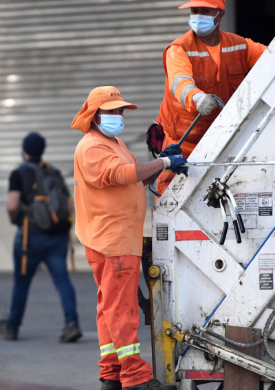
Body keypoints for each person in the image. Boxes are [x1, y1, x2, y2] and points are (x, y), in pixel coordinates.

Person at [72, 86, 188, 390]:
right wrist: (164, 164)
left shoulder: (112, 142)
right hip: (111, 240)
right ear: (95, 115)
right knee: (120, 308)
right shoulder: (93, 147)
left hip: (117, 238)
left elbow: (134, 175)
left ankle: (111, 373)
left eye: (121, 111)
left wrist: (161, 160)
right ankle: (136, 378)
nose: (119, 116)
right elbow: (120, 175)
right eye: (112, 111)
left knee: (109, 306)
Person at [155, 0, 267, 194]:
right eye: (194, 11)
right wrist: (197, 98)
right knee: (172, 197)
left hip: (226, 140)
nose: (198, 16)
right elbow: (179, 82)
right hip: (184, 144)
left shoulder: (240, 46)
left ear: (220, 14)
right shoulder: (179, 48)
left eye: (205, 11)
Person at [0, 132, 82, 343]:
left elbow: (12, 205)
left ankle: (12, 327)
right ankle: (71, 324)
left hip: (30, 237)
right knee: (62, 280)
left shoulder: (19, 173)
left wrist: (15, 220)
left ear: (24, 150)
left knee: (21, 283)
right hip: (58, 236)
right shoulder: (53, 171)